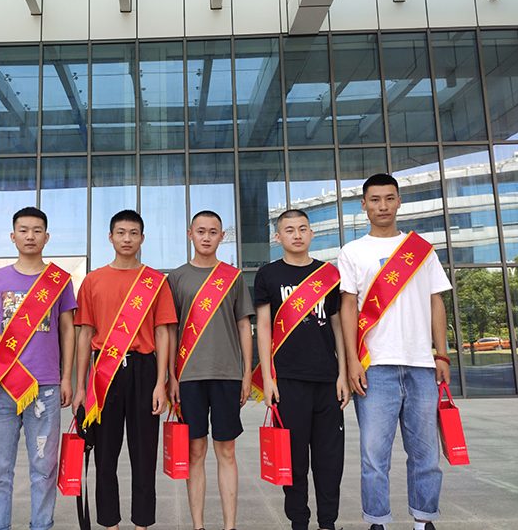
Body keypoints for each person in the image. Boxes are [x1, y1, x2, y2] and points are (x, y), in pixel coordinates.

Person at [338, 174, 452, 530]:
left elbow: (436, 302)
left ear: (399, 201)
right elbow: (348, 307)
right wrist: (353, 361)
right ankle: (378, 521)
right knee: (374, 456)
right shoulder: (352, 251)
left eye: (389, 198)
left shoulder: (421, 249)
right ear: (364, 205)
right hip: (375, 367)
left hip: (421, 365)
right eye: (375, 200)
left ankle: (423, 520)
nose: (383, 206)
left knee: (426, 454)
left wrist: (442, 354)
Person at [72, 209, 178, 530]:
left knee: (144, 455)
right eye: (121, 233)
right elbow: (85, 334)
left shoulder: (155, 282)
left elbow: (163, 333)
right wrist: (80, 387)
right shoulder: (93, 280)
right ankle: (110, 524)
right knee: (105, 456)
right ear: (110, 237)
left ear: (142, 238)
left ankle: (142, 524)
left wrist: (161, 382)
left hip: (144, 370)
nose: (127, 239)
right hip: (105, 372)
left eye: (133, 233)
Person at [0, 206, 77, 530]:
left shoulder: (59, 281)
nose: (30, 236)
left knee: (44, 467)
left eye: (36, 230)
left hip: (45, 387)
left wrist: (66, 378)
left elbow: (67, 330)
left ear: (46, 237)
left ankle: (41, 526)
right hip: (0, 388)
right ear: (13, 236)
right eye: (23, 230)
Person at [253, 209, 348, 530]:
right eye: (289, 229)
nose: (297, 235)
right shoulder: (268, 274)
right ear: (278, 237)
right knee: (292, 459)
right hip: (287, 380)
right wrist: (268, 378)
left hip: (327, 379)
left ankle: (328, 522)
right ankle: (299, 522)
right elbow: (263, 327)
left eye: (302, 229)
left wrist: (343, 374)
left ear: (311, 233)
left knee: (329, 459)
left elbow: (337, 326)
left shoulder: (328, 274)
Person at [166, 210, 254, 530]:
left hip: (227, 374)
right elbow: (170, 330)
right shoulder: (176, 278)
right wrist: (171, 376)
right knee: (195, 450)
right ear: (190, 234)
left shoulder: (233, 276)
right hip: (189, 376)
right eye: (200, 231)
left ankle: (230, 526)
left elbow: (244, 326)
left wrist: (247, 373)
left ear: (221, 236)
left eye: (213, 232)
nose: (206, 237)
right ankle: (198, 526)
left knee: (226, 450)